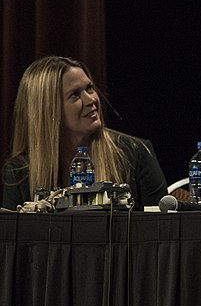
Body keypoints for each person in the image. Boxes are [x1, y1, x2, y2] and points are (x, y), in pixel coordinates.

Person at [1, 56, 168, 211]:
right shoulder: (19, 172)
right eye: (75, 95)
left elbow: (162, 233)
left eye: (90, 88)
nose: (91, 100)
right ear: (48, 111)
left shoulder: (136, 154)